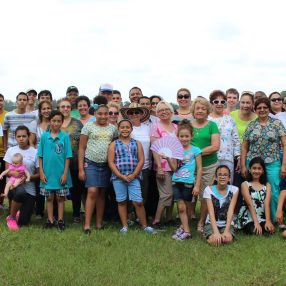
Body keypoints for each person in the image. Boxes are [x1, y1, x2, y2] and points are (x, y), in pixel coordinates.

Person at [241, 97, 286, 220]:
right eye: (259, 108)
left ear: (268, 109)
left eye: (265, 107)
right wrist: (244, 165)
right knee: (253, 192)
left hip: (273, 163)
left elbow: (285, 144)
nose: (262, 110)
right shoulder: (251, 125)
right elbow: (244, 147)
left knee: (274, 191)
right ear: (255, 110)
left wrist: (284, 165)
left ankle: (274, 218)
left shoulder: (277, 124)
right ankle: (255, 219)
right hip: (253, 164)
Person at [108, 119, 155, 234]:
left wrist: (134, 174)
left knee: (138, 201)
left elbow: (141, 160)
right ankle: (125, 226)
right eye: (122, 127)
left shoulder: (136, 143)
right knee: (121, 201)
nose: (125, 129)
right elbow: (111, 162)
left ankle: (144, 226)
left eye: (127, 127)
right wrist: (120, 175)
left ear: (131, 129)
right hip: (118, 178)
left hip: (134, 178)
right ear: (118, 129)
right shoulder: (114, 144)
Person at [78, 103, 117, 234]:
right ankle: (87, 225)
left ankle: (99, 223)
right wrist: (81, 169)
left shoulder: (113, 129)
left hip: (106, 165)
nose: (103, 116)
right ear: (95, 114)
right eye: (100, 113)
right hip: (91, 163)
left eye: (106, 113)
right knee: (92, 191)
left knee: (102, 194)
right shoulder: (88, 127)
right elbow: (81, 148)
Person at [167, 119, 202, 240]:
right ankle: (187, 231)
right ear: (178, 137)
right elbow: (174, 168)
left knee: (187, 208)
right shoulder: (176, 150)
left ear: (191, 136)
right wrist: (168, 159)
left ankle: (183, 228)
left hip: (189, 183)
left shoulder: (196, 150)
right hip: (176, 181)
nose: (184, 139)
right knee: (180, 207)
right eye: (181, 136)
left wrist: (197, 186)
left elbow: (200, 169)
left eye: (186, 136)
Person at [38, 110, 73, 231]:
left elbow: (68, 156)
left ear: (62, 122)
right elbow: (40, 156)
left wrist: (65, 174)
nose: (56, 123)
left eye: (59, 121)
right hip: (47, 174)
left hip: (60, 174)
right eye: (53, 120)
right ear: (49, 121)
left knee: (60, 198)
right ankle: (50, 220)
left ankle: (60, 220)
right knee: (49, 198)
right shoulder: (44, 137)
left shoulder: (64, 137)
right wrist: (41, 172)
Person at [190, 97, 220, 233]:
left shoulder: (212, 125)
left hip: (209, 165)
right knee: (189, 193)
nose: (200, 111)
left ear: (207, 110)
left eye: (203, 108)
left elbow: (215, 146)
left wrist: (196, 152)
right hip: (190, 166)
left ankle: (201, 222)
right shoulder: (188, 125)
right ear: (193, 110)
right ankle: (190, 217)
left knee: (205, 194)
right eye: (198, 108)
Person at [4, 125, 39, 230]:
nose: (21, 139)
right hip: (14, 187)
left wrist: (28, 178)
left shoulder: (35, 152)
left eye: (24, 136)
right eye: (18, 136)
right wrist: (14, 174)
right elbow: (7, 171)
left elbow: (39, 174)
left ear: (28, 136)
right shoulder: (11, 150)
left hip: (30, 190)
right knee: (20, 192)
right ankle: (12, 217)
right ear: (15, 137)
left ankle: (19, 212)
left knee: (24, 222)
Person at [151, 101, 177, 228]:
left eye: (166, 109)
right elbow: (155, 148)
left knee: (173, 193)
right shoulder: (155, 126)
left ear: (171, 112)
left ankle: (169, 218)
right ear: (157, 113)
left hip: (175, 165)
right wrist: (159, 168)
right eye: (160, 110)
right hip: (162, 166)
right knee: (167, 194)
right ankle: (156, 220)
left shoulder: (175, 127)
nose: (164, 112)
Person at [121, 103, 151, 210]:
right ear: (128, 115)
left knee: (144, 191)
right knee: (129, 193)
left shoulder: (147, 128)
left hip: (145, 165)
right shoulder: (126, 128)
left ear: (141, 114)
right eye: (131, 112)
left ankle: (140, 216)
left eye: (136, 112)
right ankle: (130, 216)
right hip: (130, 165)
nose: (134, 114)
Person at [58, 98, 84, 223]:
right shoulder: (54, 122)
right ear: (59, 108)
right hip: (58, 164)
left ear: (71, 108)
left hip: (74, 162)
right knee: (57, 189)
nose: (65, 109)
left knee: (76, 190)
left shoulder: (78, 123)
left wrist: (81, 166)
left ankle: (76, 214)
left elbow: (82, 145)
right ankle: (57, 215)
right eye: (63, 106)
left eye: (68, 106)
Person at [208, 90, 240, 183]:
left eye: (222, 102)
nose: (219, 104)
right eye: (216, 102)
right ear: (211, 103)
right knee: (211, 187)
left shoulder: (230, 120)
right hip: (210, 160)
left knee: (227, 187)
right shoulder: (207, 120)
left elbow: (236, 140)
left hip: (227, 159)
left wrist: (238, 157)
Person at [238, 157, 275, 235]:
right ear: (250, 170)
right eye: (254, 168)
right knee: (255, 231)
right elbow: (250, 204)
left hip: (261, 217)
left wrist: (268, 221)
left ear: (263, 171)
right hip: (249, 217)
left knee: (269, 231)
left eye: (259, 168)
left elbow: (267, 204)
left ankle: (264, 224)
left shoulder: (267, 185)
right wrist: (256, 223)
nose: (256, 171)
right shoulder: (245, 184)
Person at [203, 165, 239, 246]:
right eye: (220, 174)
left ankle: (223, 234)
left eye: (225, 175)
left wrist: (226, 231)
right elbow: (211, 212)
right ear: (216, 177)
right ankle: (208, 235)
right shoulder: (208, 190)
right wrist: (215, 232)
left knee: (227, 240)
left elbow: (231, 210)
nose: (222, 177)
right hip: (211, 223)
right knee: (215, 241)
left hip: (227, 224)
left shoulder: (234, 190)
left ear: (229, 178)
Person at [0, 93, 7, 208]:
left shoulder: (7, 115)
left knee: (3, 178)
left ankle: (1, 203)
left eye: (1, 100)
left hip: (5, 152)